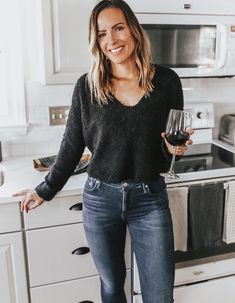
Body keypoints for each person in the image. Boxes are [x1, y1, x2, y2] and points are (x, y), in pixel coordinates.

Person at [14, 1, 193, 302]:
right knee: (111, 288)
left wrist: (174, 148)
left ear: (134, 30)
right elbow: (71, 148)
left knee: (160, 294)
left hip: (149, 198)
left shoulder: (166, 82)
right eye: (102, 33)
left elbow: (167, 151)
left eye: (119, 28)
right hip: (100, 200)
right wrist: (44, 190)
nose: (112, 40)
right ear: (96, 41)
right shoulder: (87, 87)